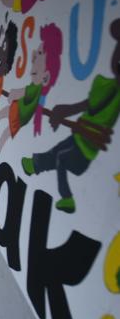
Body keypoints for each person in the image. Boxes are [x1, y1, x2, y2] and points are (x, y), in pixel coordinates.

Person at [21, 18, 120, 214]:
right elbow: (86, 105)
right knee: (58, 150)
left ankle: (66, 198)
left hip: (88, 145)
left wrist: (62, 112)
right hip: (81, 137)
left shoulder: (109, 88)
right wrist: (62, 111)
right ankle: (35, 164)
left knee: (61, 158)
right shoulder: (103, 84)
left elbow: (91, 105)